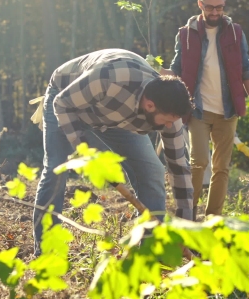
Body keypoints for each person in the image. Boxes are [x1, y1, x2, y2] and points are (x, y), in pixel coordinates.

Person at [32, 49, 194, 254]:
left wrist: (187, 226)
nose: (171, 126)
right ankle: (46, 250)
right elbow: (62, 104)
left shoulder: (169, 113)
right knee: (56, 169)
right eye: (168, 121)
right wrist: (86, 153)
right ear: (150, 105)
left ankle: (148, 251)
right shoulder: (110, 78)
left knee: (152, 171)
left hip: (115, 117)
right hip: (67, 101)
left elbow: (179, 168)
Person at [165, 0, 249, 217]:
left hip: (228, 111)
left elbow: (246, 71)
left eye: (219, 8)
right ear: (200, 5)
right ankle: (188, 216)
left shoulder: (235, 33)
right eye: (210, 7)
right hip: (197, 110)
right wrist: (155, 70)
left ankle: (214, 219)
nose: (215, 13)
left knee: (222, 168)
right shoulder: (186, 34)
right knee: (199, 162)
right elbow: (176, 70)